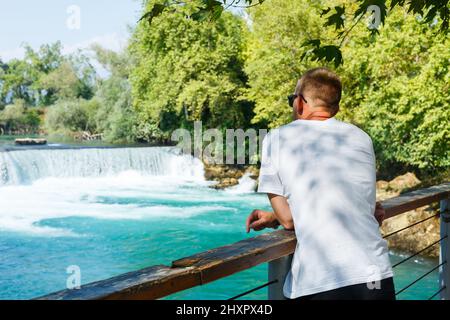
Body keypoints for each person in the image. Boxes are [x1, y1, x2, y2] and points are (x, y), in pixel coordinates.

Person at [246, 67, 395, 300]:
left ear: (301, 103)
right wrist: (274, 216)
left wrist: (277, 216)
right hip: (375, 274)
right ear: (335, 108)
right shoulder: (360, 138)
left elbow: (288, 219)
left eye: (291, 100)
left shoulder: (276, 138)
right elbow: (359, 205)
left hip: (321, 280)